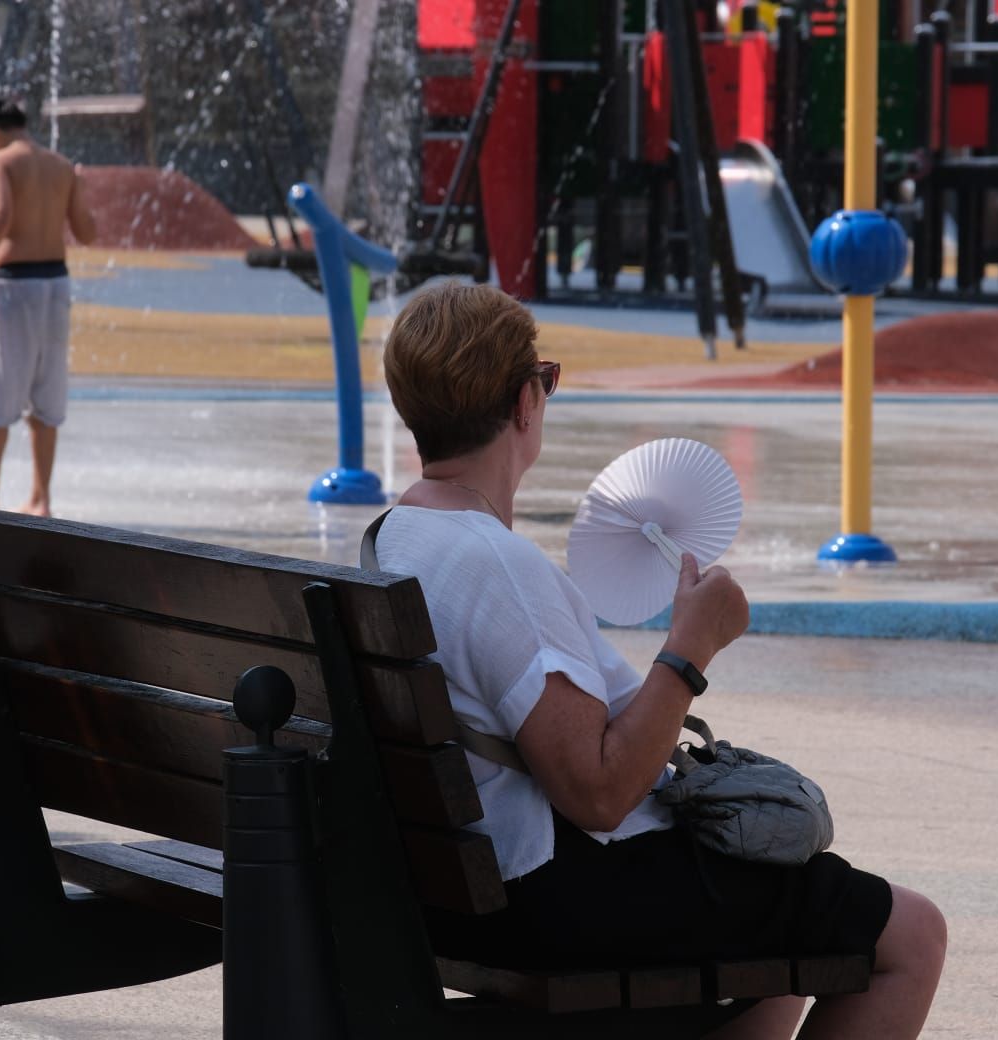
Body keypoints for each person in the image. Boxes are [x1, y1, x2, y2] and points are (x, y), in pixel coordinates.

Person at [374, 282, 947, 1040]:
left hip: (454, 889)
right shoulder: (495, 564)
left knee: (779, 944)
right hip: (547, 899)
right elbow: (600, 791)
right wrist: (690, 646)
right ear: (524, 402)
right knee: (910, 934)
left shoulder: (395, 539)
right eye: (546, 380)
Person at [0, 97, 96, 517]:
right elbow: (86, 233)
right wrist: (81, 192)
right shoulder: (61, 165)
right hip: (55, 284)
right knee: (46, 397)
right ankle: (41, 498)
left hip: (14, 286)